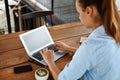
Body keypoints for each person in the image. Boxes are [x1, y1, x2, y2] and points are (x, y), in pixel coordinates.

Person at [40, 0, 120, 80]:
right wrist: (68, 48)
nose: (79, 17)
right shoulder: (115, 31)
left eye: (79, 12)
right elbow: (95, 54)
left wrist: (49, 60)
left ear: (89, 11)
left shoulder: (90, 46)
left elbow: (61, 78)